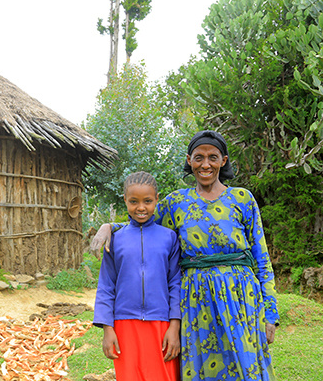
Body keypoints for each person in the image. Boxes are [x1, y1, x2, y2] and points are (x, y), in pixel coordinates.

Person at [91, 130, 279, 381]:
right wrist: (109, 227)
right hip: (195, 301)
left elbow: (262, 259)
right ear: (189, 160)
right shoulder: (176, 202)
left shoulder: (242, 198)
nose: (205, 164)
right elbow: (142, 223)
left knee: (245, 367)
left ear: (223, 161)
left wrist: (270, 313)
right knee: (202, 368)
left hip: (240, 298)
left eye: (213, 157)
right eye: (199, 157)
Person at [93, 171, 181, 381]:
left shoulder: (169, 237)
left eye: (147, 201)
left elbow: (175, 284)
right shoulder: (115, 239)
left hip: (161, 325)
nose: (141, 207)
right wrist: (108, 328)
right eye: (134, 201)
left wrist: (174, 327)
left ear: (157, 200)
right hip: (124, 324)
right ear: (125, 201)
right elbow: (106, 285)